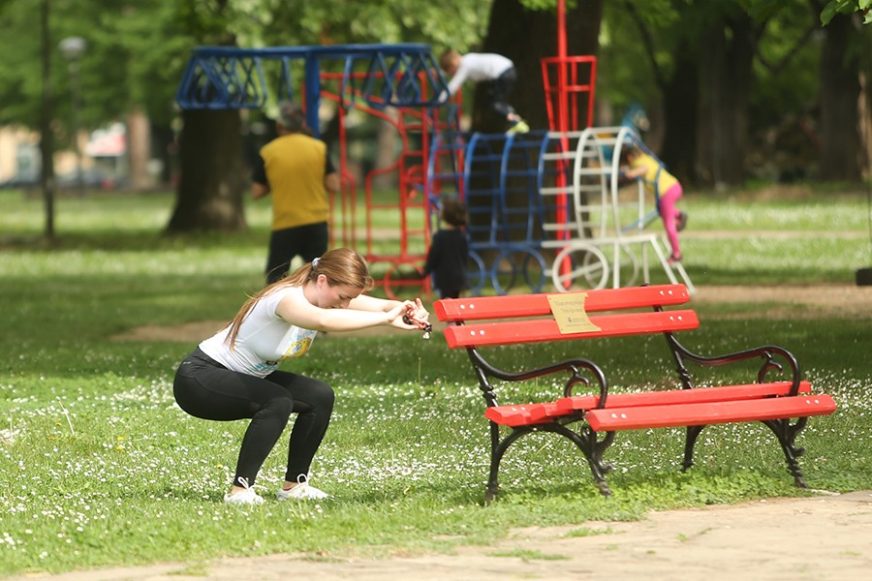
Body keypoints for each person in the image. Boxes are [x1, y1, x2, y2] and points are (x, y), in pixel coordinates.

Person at [172, 248, 431, 505]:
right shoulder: (287, 299)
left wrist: (408, 311)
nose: (344, 304)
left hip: (241, 377)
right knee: (277, 400)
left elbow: (384, 304)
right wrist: (385, 320)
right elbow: (323, 320)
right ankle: (239, 491)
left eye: (349, 299)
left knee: (319, 396)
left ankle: (294, 485)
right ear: (322, 281)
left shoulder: (328, 291)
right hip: (199, 380)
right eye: (342, 297)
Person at [252, 102, 341, 284]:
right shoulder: (319, 148)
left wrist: (277, 180)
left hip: (285, 223)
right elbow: (334, 185)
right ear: (302, 124)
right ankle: (317, 310)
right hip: (316, 222)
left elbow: (256, 191)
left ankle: (277, 310)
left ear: (279, 125)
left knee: (276, 276)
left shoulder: (268, 152)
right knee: (318, 276)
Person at [619, 144, 688, 264]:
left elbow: (643, 169)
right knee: (664, 211)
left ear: (629, 158)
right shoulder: (645, 157)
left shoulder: (637, 163)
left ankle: (676, 253)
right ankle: (678, 215)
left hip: (665, 192)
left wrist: (630, 173)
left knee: (668, 224)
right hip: (675, 186)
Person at [439, 49, 529, 134]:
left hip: (503, 74)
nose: (452, 74)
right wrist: (439, 72)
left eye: (451, 71)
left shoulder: (465, 65)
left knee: (496, 104)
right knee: (496, 102)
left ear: (453, 64)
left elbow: (454, 85)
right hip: (507, 70)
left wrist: (439, 100)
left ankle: (516, 122)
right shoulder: (468, 60)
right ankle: (513, 122)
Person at [423, 197, 469, 299]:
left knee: (446, 302)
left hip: (445, 278)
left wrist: (425, 271)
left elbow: (433, 256)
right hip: (459, 277)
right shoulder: (462, 236)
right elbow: (464, 257)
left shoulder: (440, 236)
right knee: (455, 301)